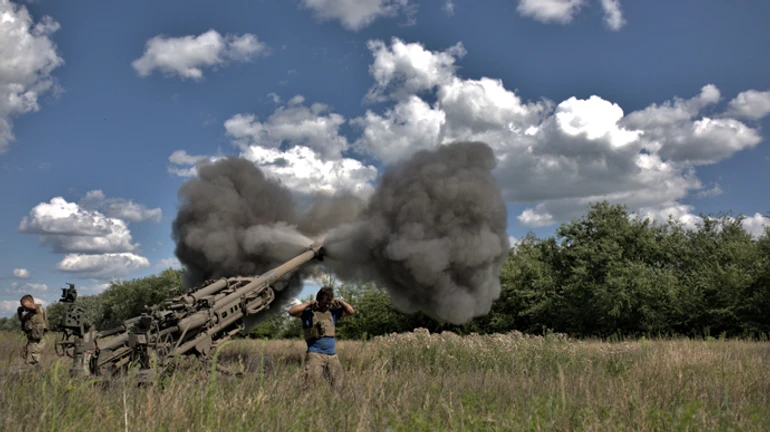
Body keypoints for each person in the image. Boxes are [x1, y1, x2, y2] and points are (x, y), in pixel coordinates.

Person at [288, 286, 354, 389]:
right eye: (324, 302)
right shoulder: (308, 312)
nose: (327, 305)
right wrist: (309, 304)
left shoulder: (333, 312)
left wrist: (341, 302)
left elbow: (351, 312)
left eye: (329, 302)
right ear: (318, 300)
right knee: (309, 386)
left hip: (332, 355)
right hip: (315, 355)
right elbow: (292, 311)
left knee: (339, 386)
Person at [17, 294, 48, 367]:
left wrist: (24, 305)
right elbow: (22, 320)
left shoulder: (38, 310)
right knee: (30, 359)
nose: (24, 307)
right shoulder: (29, 315)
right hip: (31, 340)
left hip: (37, 341)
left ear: (31, 302)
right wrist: (20, 312)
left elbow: (33, 306)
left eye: (24, 305)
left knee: (31, 360)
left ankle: (35, 375)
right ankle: (35, 375)